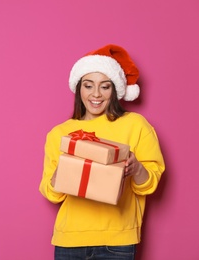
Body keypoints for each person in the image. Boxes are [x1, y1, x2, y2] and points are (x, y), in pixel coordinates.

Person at [39, 44, 165, 260]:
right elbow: (52, 193)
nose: (96, 94)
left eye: (105, 87)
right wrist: (65, 170)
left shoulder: (135, 125)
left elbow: (150, 185)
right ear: (79, 88)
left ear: (115, 90)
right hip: (69, 240)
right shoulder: (60, 133)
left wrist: (136, 168)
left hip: (117, 242)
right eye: (88, 86)